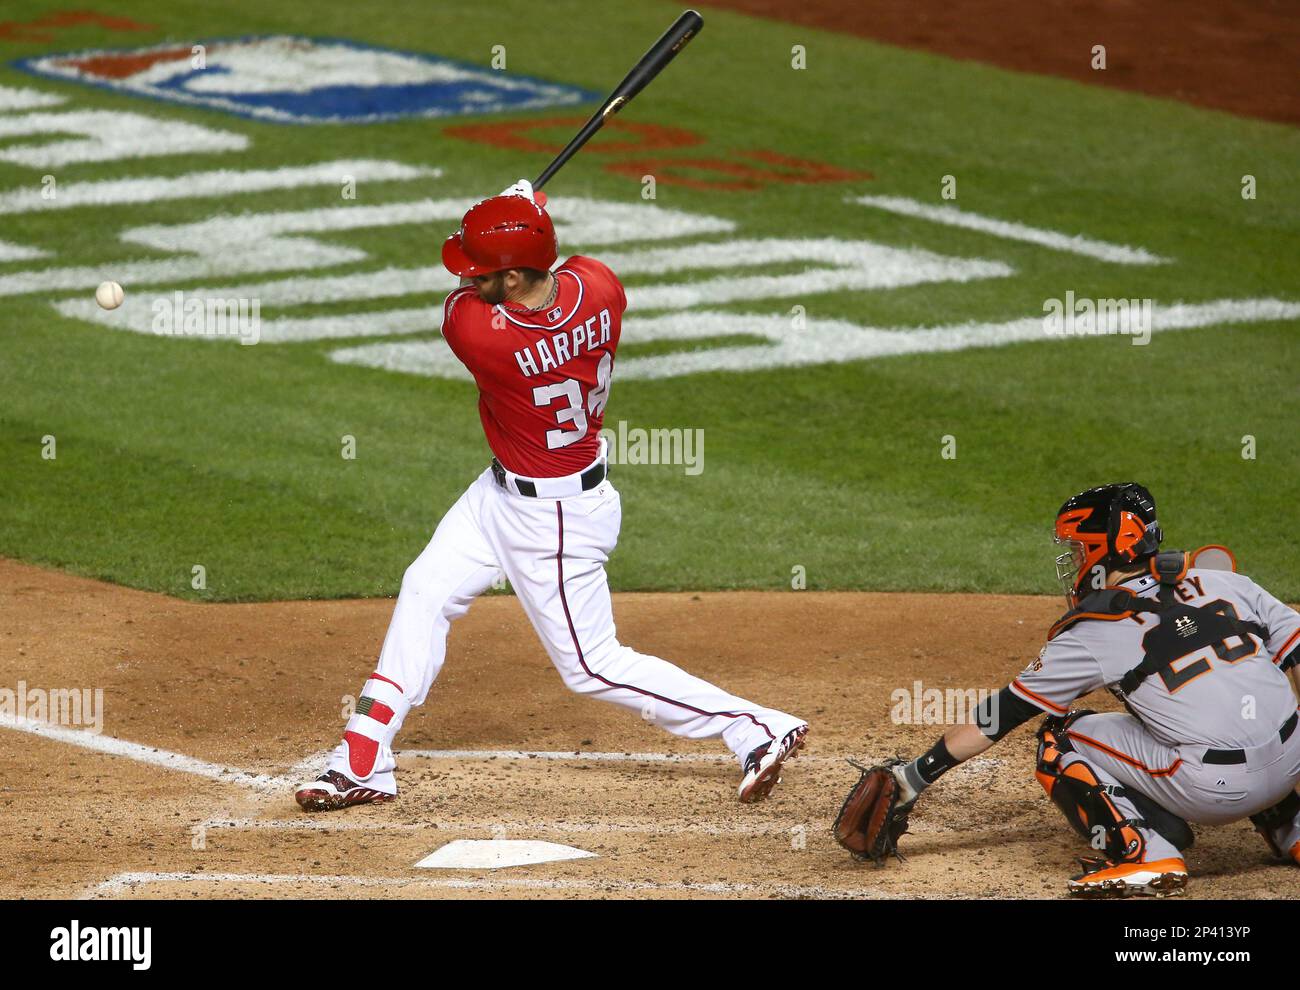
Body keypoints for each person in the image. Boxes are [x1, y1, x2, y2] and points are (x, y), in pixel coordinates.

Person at [296, 180, 808, 812]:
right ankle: (363, 757)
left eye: (483, 270)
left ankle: (755, 727)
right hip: (501, 495)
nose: (471, 276)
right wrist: (525, 219)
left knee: (591, 665)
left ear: (511, 280)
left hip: (554, 519)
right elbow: (557, 273)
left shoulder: (482, 337)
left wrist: (522, 209)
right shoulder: (601, 284)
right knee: (425, 589)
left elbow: (459, 301)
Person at [836, 482, 1300, 897]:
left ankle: (1148, 854)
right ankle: (1290, 827)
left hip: (1214, 792)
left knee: (1061, 737)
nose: (1074, 560)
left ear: (1103, 549)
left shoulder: (1093, 630)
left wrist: (915, 776)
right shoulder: (1225, 582)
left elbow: (1003, 713)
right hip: (1292, 762)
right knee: (1251, 705)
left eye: (1078, 548)